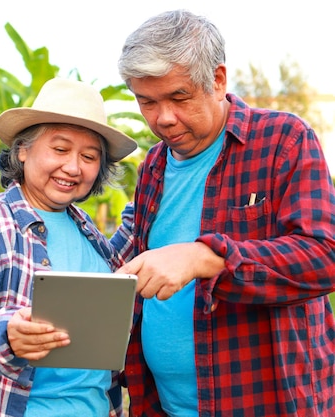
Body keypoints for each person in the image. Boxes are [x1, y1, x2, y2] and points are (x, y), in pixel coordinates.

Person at [110, 9, 335, 417]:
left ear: (216, 80)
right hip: (161, 404)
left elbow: (324, 257)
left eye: (179, 98)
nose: (163, 118)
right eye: (147, 101)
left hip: (262, 401)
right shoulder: (152, 169)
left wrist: (207, 258)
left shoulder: (283, 140)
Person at [0, 77, 138, 417]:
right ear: (23, 150)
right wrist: (7, 334)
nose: (73, 167)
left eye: (89, 156)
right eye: (60, 149)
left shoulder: (90, 234)